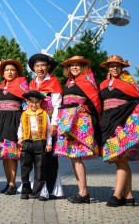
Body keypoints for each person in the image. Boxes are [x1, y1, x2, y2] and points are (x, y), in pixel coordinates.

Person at [99, 55, 139, 207]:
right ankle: (129, 196)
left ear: (122, 67)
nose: (114, 68)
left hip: (121, 122)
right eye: (111, 65)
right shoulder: (102, 84)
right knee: (119, 160)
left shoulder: (128, 84)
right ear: (108, 67)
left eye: (117, 65)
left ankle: (117, 196)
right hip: (107, 122)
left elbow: (138, 99)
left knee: (120, 158)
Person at [55, 55, 101, 204]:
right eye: (72, 66)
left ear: (83, 67)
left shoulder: (87, 82)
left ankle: (83, 192)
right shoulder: (68, 83)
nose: (74, 68)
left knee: (76, 157)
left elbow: (95, 103)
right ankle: (82, 191)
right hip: (67, 121)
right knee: (73, 158)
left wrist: (86, 107)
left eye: (77, 65)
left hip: (79, 121)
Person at [28, 53, 63, 199]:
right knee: (35, 157)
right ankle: (35, 187)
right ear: (34, 68)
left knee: (48, 157)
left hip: (48, 122)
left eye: (43, 65)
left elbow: (56, 106)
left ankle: (49, 189)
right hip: (34, 123)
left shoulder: (54, 83)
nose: (40, 68)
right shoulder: (32, 83)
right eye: (37, 66)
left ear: (48, 67)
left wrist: (54, 124)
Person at [0, 59, 29, 195]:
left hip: (14, 120)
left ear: (17, 73)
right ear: (2, 73)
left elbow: (27, 103)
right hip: (0, 121)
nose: (9, 72)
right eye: (7, 70)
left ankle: (13, 183)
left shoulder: (21, 85)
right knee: (5, 154)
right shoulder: (0, 87)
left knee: (12, 154)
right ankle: (8, 182)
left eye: (12, 70)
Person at [17, 91, 52, 200]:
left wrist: (49, 143)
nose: (34, 105)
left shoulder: (44, 113)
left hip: (40, 143)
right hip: (27, 142)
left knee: (40, 167)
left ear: (41, 102)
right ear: (27, 102)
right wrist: (19, 137)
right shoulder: (24, 114)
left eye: (36, 103)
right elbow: (20, 127)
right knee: (25, 167)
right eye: (31, 103)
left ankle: (39, 191)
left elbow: (48, 130)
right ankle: (25, 190)